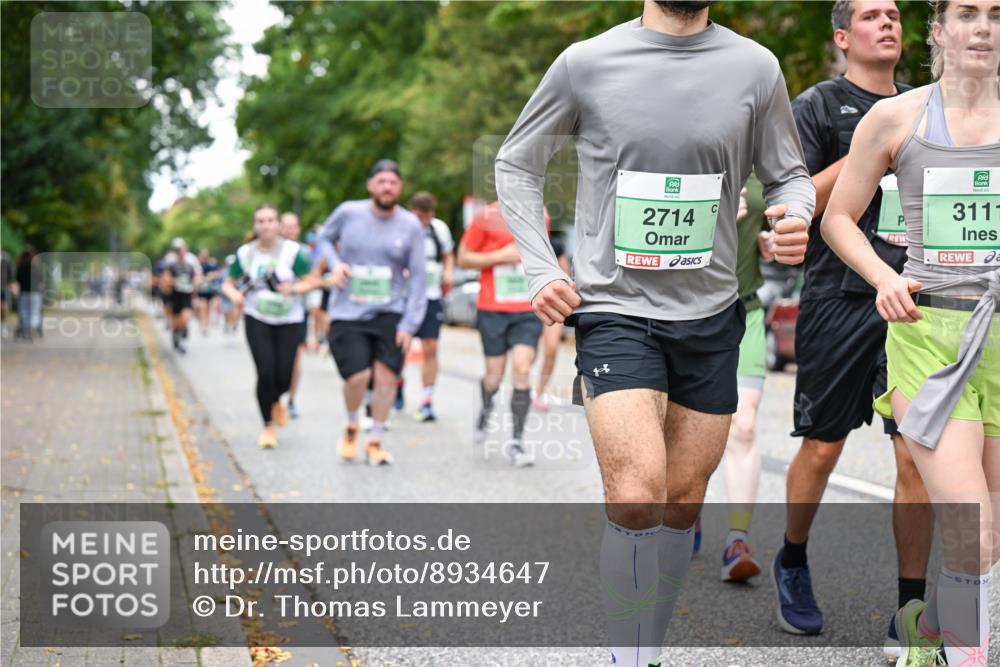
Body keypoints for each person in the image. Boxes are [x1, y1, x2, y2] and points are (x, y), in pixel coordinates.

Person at [495, 1, 813, 663]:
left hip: (711, 316)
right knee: (637, 493)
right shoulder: (588, 63)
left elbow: (788, 174)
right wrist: (538, 264)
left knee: (680, 499)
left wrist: (793, 215)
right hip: (614, 309)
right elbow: (517, 163)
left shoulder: (754, 67)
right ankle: (631, 655)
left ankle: (648, 644)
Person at [822, 1, 998, 664]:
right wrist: (882, 277)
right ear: (941, 30)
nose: (983, 27)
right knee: (972, 532)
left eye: (998, 13)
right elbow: (839, 218)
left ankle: (927, 632)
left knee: (991, 545)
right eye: (968, 13)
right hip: (929, 335)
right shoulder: (898, 117)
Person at [774, 2, 935, 652]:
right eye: (872, 15)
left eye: (895, 14)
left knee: (914, 452)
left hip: (917, 297)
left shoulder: (932, 106)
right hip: (840, 297)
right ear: (843, 36)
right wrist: (875, 139)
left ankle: (909, 606)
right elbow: (791, 201)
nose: (888, 23)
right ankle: (792, 556)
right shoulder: (818, 105)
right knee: (822, 446)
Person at [315, 159, 427, 466]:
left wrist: (410, 322)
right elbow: (323, 237)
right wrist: (334, 263)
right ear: (370, 185)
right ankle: (352, 424)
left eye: (393, 182)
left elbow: (418, 276)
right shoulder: (349, 212)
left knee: (387, 378)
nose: (387, 187)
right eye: (381, 181)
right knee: (358, 377)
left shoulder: (410, 225)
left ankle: (375, 438)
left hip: (389, 311)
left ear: (399, 188)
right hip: (348, 312)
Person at [457, 201, 548, 468]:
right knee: (494, 376)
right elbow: (464, 257)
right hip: (492, 308)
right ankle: (485, 409)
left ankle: (517, 442)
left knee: (521, 368)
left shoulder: (540, 213)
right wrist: (500, 256)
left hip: (527, 308)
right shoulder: (485, 216)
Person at [221, 204, 314, 449]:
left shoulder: (292, 252)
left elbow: (310, 281)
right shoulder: (245, 254)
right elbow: (227, 283)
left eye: (270, 220)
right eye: (260, 221)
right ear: (255, 226)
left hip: (289, 319)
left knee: (284, 375)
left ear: (278, 225)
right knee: (265, 372)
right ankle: (267, 426)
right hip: (257, 317)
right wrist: (235, 296)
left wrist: (293, 288)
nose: (265, 225)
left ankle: (276, 400)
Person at [408, 191, 455, 423]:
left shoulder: (439, 229)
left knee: (431, 348)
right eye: (419, 216)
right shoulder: (403, 227)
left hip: (431, 296)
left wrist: (448, 272)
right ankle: (395, 385)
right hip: (405, 299)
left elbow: (448, 255)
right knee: (397, 348)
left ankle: (426, 401)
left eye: (426, 217)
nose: (423, 222)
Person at [531, 229, 571, 413]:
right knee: (528, 353)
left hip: (551, 300)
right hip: (526, 302)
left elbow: (566, 274)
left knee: (552, 349)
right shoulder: (521, 240)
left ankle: (539, 392)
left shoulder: (555, 244)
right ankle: (522, 385)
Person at [280, 212, 308, 419]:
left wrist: (296, 288)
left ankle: (291, 398)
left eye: (293, 226)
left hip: (296, 313)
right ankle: (275, 396)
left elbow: (314, 279)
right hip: (269, 314)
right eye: (286, 226)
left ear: (298, 229)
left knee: (295, 357)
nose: (289, 230)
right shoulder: (272, 250)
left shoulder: (304, 252)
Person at [162, 238, 202, 354]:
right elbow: (165, 280)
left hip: (186, 295)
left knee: (185, 318)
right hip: (174, 296)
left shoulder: (190, 265)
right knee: (176, 322)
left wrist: (195, 285)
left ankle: (183, 340)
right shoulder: (171, 265)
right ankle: (176, 336)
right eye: (179, 250)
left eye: (183, 250)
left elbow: (197, 277)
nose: (181, 252)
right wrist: (175, 282)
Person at [14, 245, 43, 339]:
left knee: (24, 311)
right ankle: (32, 327)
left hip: (24, 293)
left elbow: (17, 280)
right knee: (35, 312)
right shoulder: (36, 266)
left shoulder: (20, 266)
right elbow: (41, 280)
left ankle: (26, 329)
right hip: (35, 293)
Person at [195, 248, 221, 335]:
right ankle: (203, 325)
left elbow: (217, 274)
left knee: (209, 309)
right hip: (201, 290)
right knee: (202, 307)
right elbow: (197, 277)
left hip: (210, 290)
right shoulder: (198, 265)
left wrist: (209, 277)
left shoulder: (211, 264)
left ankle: (206, 325)